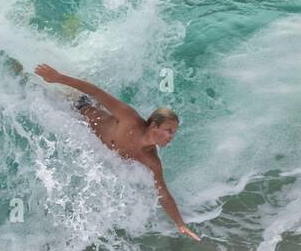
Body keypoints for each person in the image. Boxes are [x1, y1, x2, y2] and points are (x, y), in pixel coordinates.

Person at [15, 62, 200, 240]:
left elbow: (164, 194)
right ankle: (16, 68)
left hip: (84, 132)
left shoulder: (151, 160)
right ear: (154, 126)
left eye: (173, 132)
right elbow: (96, 92)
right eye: (169, 130)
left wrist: (180, 224)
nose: (171, 136)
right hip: (77, 107)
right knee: (31, 87)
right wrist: (57, 77)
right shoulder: (130, 119)